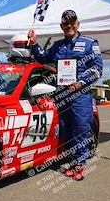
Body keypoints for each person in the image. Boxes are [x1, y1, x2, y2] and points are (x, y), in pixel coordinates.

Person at [28, 10, 103, 181]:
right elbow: (43, 57)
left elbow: (97, 69)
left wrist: (80, 82)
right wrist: (34, 43)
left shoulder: (90, 43)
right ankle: (71, 161)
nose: (69, 26)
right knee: (65, 129)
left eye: (72, 23)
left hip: (80, 95)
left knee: (80, 128)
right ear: (62, 26)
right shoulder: (58, 45)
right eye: (65, 24)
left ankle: (80, 164)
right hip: (61, 95)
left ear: (78, 24)